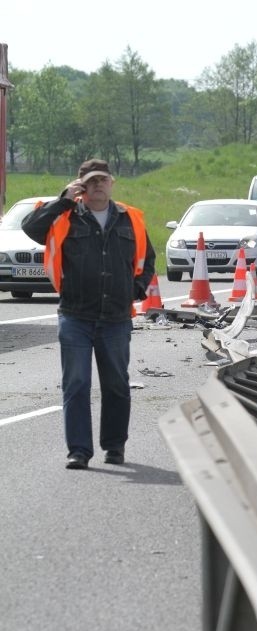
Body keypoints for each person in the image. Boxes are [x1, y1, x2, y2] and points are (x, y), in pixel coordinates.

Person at [22, 158, 156, 470]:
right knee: (77, 384)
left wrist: (136, 289)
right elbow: (31, 228)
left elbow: (147, 259)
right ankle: (79, 451)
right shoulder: (64, 217)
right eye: (90, 181)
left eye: (102, 180)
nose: (97, 185)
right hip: (75, 315)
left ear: (112, 183)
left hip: (115, 317)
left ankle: (114, 447)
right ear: (80, 185)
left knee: (116, 385)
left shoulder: (130, 219)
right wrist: (61, 200)